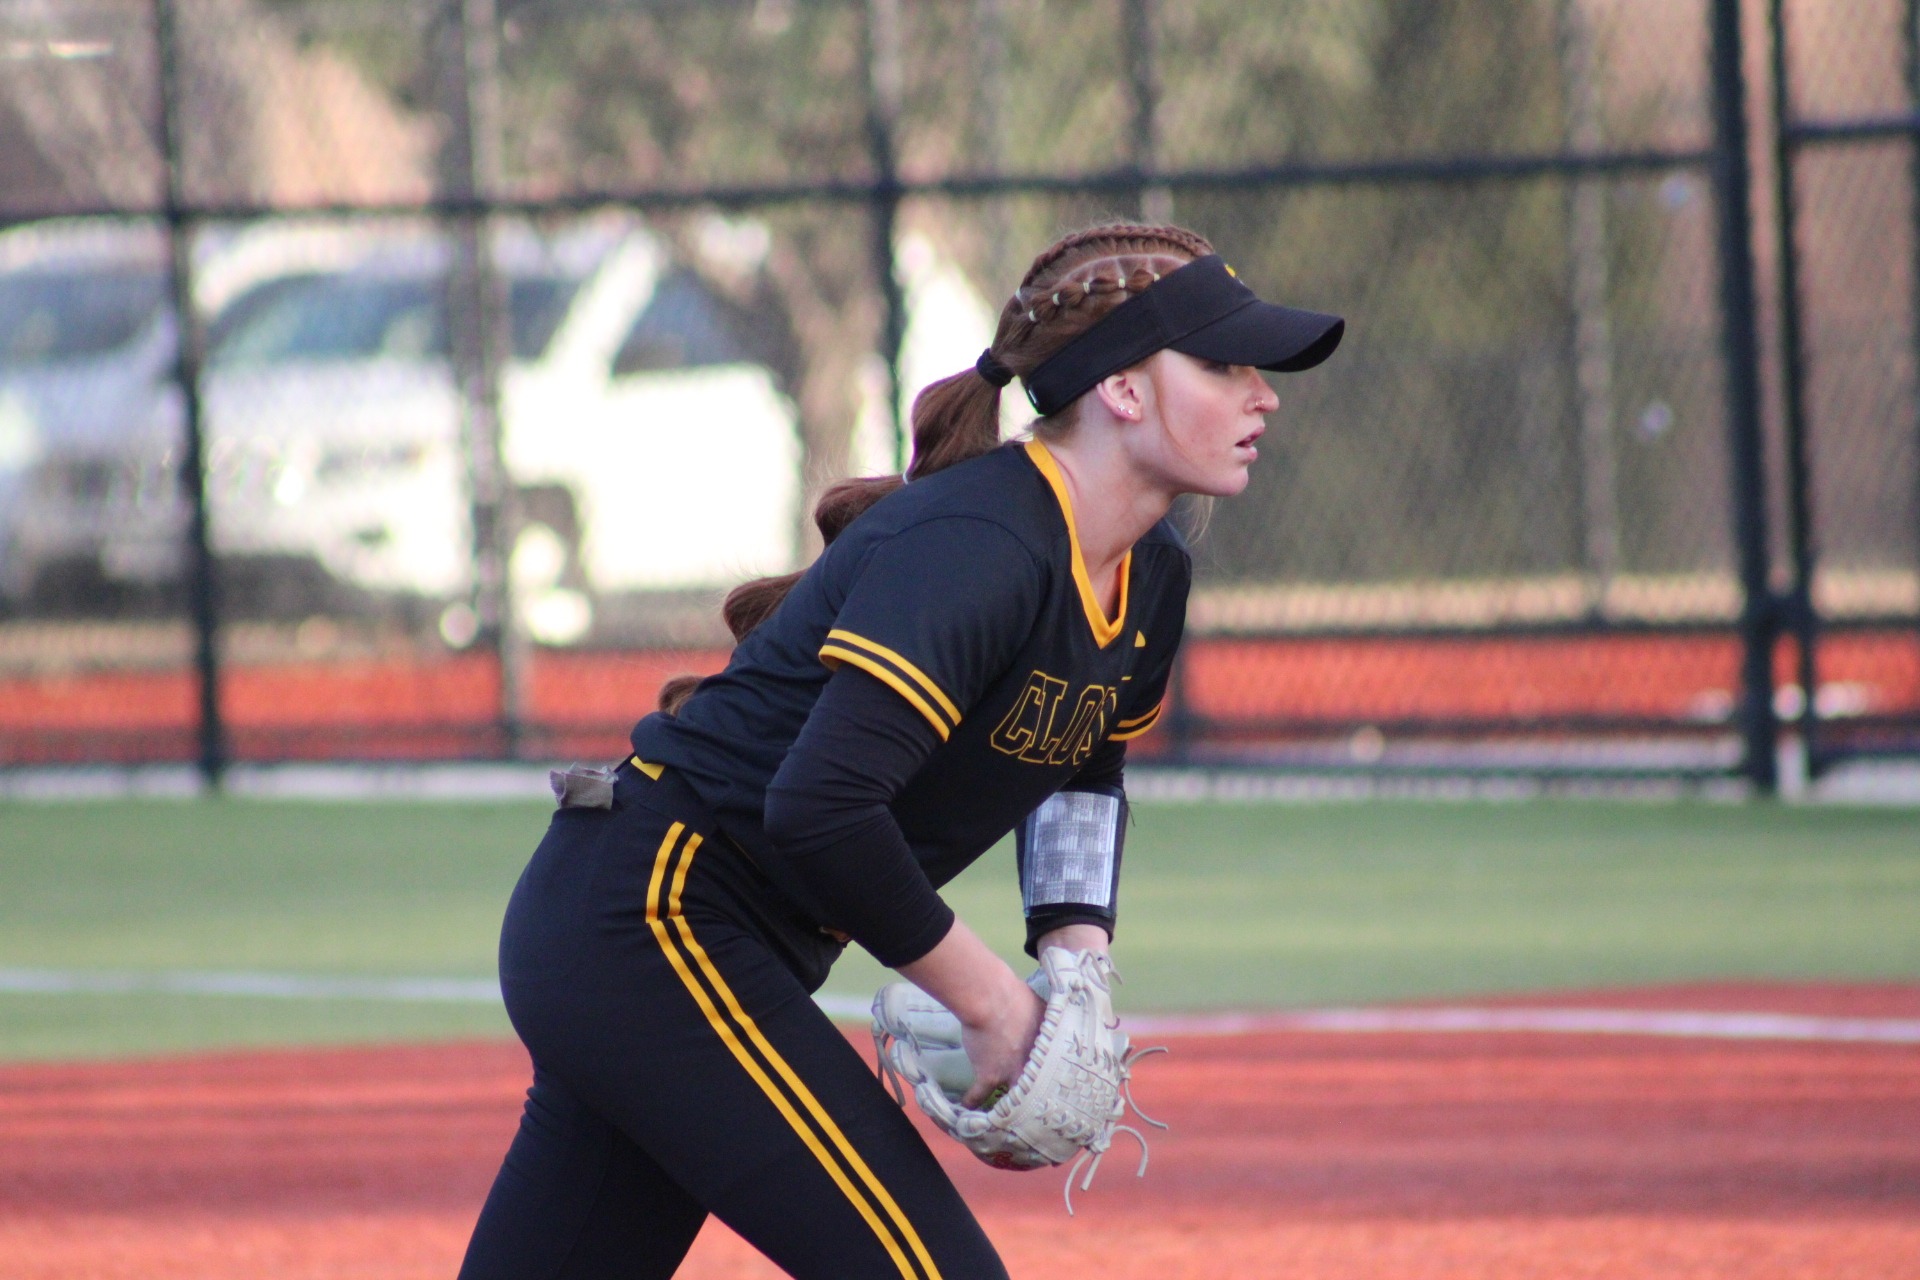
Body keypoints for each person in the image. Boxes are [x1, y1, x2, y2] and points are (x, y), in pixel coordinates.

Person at [458, 221, 1343, 1280]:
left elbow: (1085, 766)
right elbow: (819, 807)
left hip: (662, 935)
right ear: (1121, 389)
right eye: (1223, 363)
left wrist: (1075, 958)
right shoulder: (982, 542)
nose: (1263, 394)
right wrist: (992, 996)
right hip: (655, 917)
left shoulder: (1150, 572)